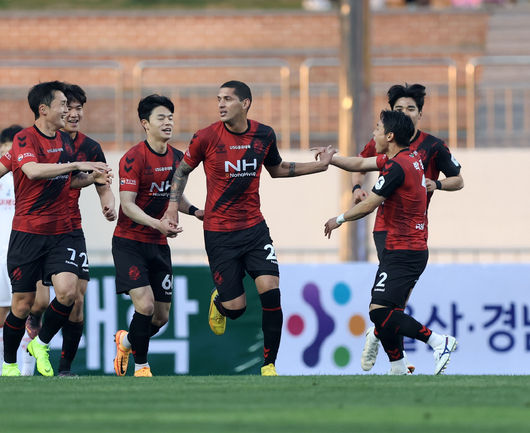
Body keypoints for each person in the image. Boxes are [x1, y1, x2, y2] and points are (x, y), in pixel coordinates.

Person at [163, 81, 336, 376]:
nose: (220, 104)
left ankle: (269, 365)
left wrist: (319, 166)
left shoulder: (264, 134)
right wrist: (172, 208)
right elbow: (182, 170)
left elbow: (277, 168)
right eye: (218, 99)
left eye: (227, 99)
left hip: (255, 230)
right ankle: (221, 300)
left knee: (271, 291)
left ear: (245, 104)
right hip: (219, 234)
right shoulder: (205, 137)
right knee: (237, 309)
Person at [0, 80, 112, 376]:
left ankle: (40, 343)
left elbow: (68, 181)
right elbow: (31, 171)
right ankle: (9, 364)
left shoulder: (67, 142)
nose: (67, 110)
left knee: (69, 293)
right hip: (27, 234)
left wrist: (92, 177)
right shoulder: (24, 140)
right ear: (44, 109)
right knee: (22, 305)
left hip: (61, 234)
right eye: (62, 105)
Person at [324, 110, 458, 375]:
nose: (373, 133)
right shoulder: (410, 158)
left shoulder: (397, 166)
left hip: (403, 249)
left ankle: (437, 341)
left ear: (390, 135)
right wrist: (333, 159)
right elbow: (360, 165)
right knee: (387, 311)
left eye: (377, 128)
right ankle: (397, 366)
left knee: (379, 312)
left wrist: (338, 218)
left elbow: (370, 204)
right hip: (411, 248)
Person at [24, 83, 117, 377]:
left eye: (79, 108)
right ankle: (36, 319)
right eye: (69, 107)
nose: (73, 114)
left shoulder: (90, 147)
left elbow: (102, 183)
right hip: (38, 228)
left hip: (70, 228)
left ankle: (63, 369)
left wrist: (108, 204)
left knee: (76, 299)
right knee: (38, 300)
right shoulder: (45, 140)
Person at [112, 94, 203, 378]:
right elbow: (127, 204)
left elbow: (174, 197)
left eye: (170, 117)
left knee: (160, 317)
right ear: (145, 124)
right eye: (161, 118)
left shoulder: (178, 159)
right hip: (130, 243)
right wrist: (157, 224)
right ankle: (142, 367)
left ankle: (125, 341)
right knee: (146, 305)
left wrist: (196, 211)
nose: (168, 122)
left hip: (158, 244)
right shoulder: (133, 158)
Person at [0, 124, 35, 377]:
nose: (6, 152)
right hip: (1, 256)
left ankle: (27, 370)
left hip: (25, 254)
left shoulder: (30, 178)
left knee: (27, 312)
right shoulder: (0, 180)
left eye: (11, 148)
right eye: (3, 148)